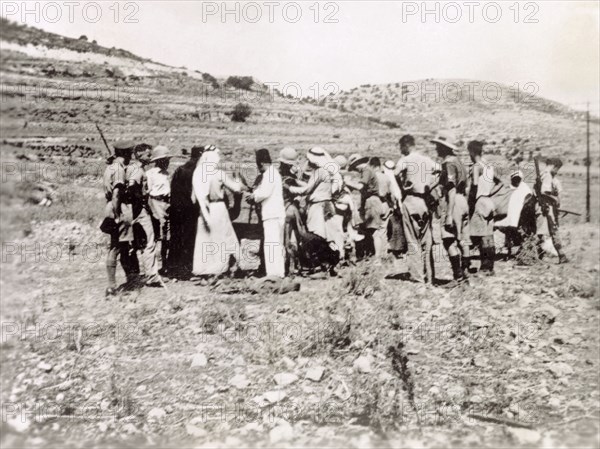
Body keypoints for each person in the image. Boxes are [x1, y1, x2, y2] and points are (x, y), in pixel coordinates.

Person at [191, 147, 245, 276]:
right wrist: (237, 176)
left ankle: (205, 269)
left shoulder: (199, 174)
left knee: (206, 239)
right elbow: (237, 189)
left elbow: (193, 198)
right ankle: (222, 267)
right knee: (224, 236)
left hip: (204, 208)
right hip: (218, 207)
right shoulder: (218, 173)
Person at [395, 134, 438, 283]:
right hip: (424, 201)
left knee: (412, 239)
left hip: (411, 199)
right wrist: (430, 186)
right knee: (427, 240)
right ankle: (429, 276)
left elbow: (395, 173)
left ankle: (417, 276)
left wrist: (402, 187)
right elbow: (440, 171)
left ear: (406, 146)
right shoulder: (426, 160)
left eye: (401, 147)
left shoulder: (405, 160)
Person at [102, 140, 139, 297]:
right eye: (130, 153)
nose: (132, 156)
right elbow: (117, 193)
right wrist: (118, 216)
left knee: (122, 246)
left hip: (111, 206)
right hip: (118, 208)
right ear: (125, 153)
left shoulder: (111, 167)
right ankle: (111, 286)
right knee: (116, 247)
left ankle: (129, 280)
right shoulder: (118, 170)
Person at [433, 133, 470, 282]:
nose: (436, 149)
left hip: (453, 202)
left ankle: (458, 276)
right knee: (463, 239)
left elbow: (451, 189)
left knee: (448, 239)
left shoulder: (448, 164)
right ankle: (466, 272)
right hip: (463, 201)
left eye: (438, 146)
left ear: (443, 148)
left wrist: (449, 214)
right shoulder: (459, 162)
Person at [288, 147, 339, 249]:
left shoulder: (319, 171)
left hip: (318, 206)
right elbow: (313, 186)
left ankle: (320, 260)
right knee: (328, 235)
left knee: (317, 235)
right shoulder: (325, 171)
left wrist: (289, 188)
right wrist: (296, 182)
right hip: (325, 204)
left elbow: (307, 190)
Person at [127, 144, 162, 287]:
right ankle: (152, 275)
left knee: (133, 243)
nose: (150, 157)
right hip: (139, 210)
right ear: (139, 155)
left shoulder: (132, 168)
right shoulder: (137, 170)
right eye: (148, 155)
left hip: (131, 210)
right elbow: (132, 185)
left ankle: (133, 275)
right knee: (149, 242)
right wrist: (140, 196)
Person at [167, 145, 203, 279]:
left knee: (176, 239)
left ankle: (172, 268)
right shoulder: (197, 171)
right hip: (189, 211)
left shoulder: (180, 169)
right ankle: (186, 270)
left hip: (176, 209)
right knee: (189, 239)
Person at [249, 149, 286, 278]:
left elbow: (264, 193)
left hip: (272, 214)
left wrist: (253, 196)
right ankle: (277, 272)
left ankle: (273, 274)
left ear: (261, 162)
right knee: (276, 244)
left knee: (272, 244)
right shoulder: (273, 173)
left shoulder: (269, 174)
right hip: (275, 213)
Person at [346, 154, 389, 259]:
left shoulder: (366, 171)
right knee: (370, 230)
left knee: (374, 231)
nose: (356, 171)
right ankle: (373, 255)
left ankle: (377, 258)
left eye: (355, 168)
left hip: (372, 202)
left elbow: (360, 186)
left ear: (357, 165)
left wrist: (347, 182)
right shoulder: (368, 171)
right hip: (370, 202)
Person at [467, 140, 501, 274]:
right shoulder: (488, 166)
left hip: (479, 202)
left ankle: (484, 267)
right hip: (489, 201)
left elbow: (474, 186)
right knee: (489, 236)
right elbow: (499, 183)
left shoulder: (476, 166)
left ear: (472, 152)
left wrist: (471, 202)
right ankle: (490, 266)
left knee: (481, 236)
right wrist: (489, 192)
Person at [146, 145, 173, 274]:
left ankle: (165, 264)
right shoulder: (150, 174)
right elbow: (148, 193)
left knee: (166, 237)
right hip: (156, 204)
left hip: (167, 204)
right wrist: (154, 210)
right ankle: (153, 268)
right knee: (156, 237)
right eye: (165, 160)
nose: (167, 162)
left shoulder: (167, 174)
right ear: (159, 160)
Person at [536, 157, 568, 263]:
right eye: (557, 169)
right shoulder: (548, 175)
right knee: (553, 230)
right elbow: (544, 192)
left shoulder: (542, 174)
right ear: (555, 166)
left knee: (542, 232)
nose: (557, 172)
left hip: (542, 207)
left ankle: (542, 255)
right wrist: (556, 199)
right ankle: (561, 255)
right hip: (547, 207)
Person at [383, 159, 405, 257]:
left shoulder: (387, 177)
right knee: (398, 225)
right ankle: (399, 247)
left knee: (394, 225)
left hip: (393, 204)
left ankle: (395, 247)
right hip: (398, 203)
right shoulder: (396, 177)